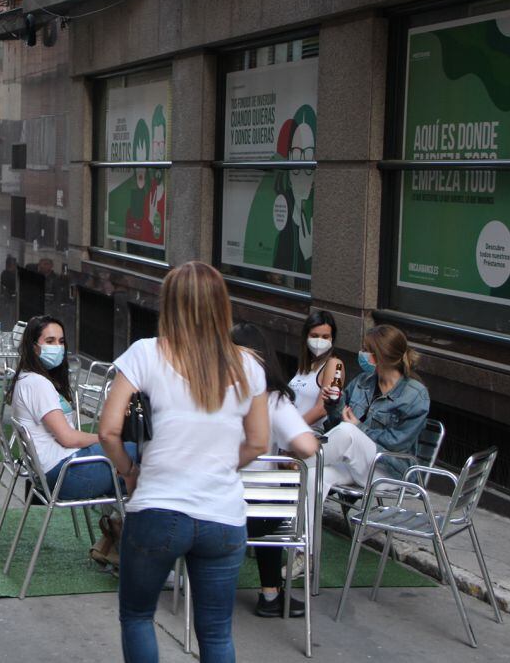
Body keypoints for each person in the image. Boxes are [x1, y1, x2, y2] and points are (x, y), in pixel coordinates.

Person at [98, 262, 269, 663]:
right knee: (216, 633)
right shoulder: (248, 365)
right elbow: (259, 442)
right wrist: (221, 463)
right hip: (223, 516)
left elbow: (107, 432)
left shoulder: (145, 353)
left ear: (169, 304)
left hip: (158, 507)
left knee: (138, 616)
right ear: (221, 305)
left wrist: (129, 472)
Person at [231, 323, 319, 619]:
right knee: (271, 498)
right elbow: (308, 447)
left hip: (212, 507)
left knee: (261, 499)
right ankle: (271, 594)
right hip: (260, 515)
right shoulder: (274, 399)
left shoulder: (210, 395)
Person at [7, 315, 137, 501]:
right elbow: (68, 438)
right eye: (50, 341)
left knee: (133, 459)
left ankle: (118, 520)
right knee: (140, 453)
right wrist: (105, 439)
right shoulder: (37, 384)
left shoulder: (29, 378)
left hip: (54, 471)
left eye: (61, 341)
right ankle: (121, 521)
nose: (58, 347)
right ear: (33, 346)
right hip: (64, 475)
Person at [314, 324, 429, 498]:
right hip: (359, 463)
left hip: (391, 471)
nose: (361, 353)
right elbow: (335, 426)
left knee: (348, 431)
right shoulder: (363, 382)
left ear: (380, 356)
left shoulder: (415, 395)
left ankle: (299, 462)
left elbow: (397, 443)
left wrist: (359, 427)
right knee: (316, 475)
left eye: (366, 350)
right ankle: (304, 525)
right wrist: (334, 403)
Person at [289, 311, 345, 432]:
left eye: (325, 337)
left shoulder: (334, 364)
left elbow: (322, 408)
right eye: (314, 336)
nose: (319, 341)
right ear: (306, 336)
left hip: (308, 435)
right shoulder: (306, 364)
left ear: (332, 339)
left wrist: (291, 430)